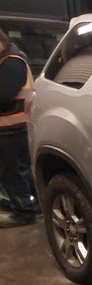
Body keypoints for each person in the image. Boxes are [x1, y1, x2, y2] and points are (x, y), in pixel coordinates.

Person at [0, 28, 37, 226]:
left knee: (13, 172)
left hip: (13, 128)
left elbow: (3, 98)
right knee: (19, 171)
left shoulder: (12, 62)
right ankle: (31, 204)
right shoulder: (7, 59)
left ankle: (23, 212)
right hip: (12, 128)